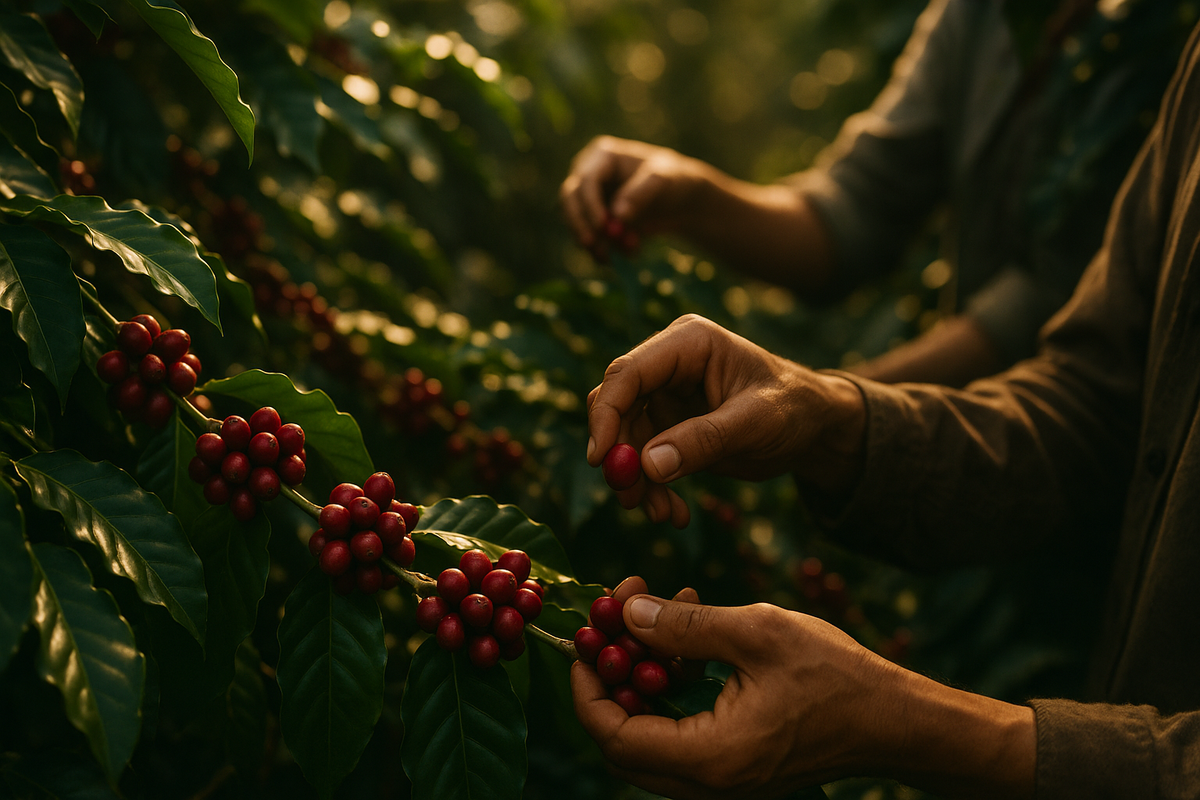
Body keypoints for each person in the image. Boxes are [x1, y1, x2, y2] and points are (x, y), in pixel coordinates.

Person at [571, 14, 1200, 797]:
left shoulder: (1150, 39)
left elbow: (1032, 312)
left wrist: (911, 726)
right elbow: (1103, 391)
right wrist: (821, 414)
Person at [560, 0, 1189, 387]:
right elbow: (854, 213)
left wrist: (816, 406)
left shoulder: (1167, 36)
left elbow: (1043, 307)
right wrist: (690, 196)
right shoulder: (982, 15)